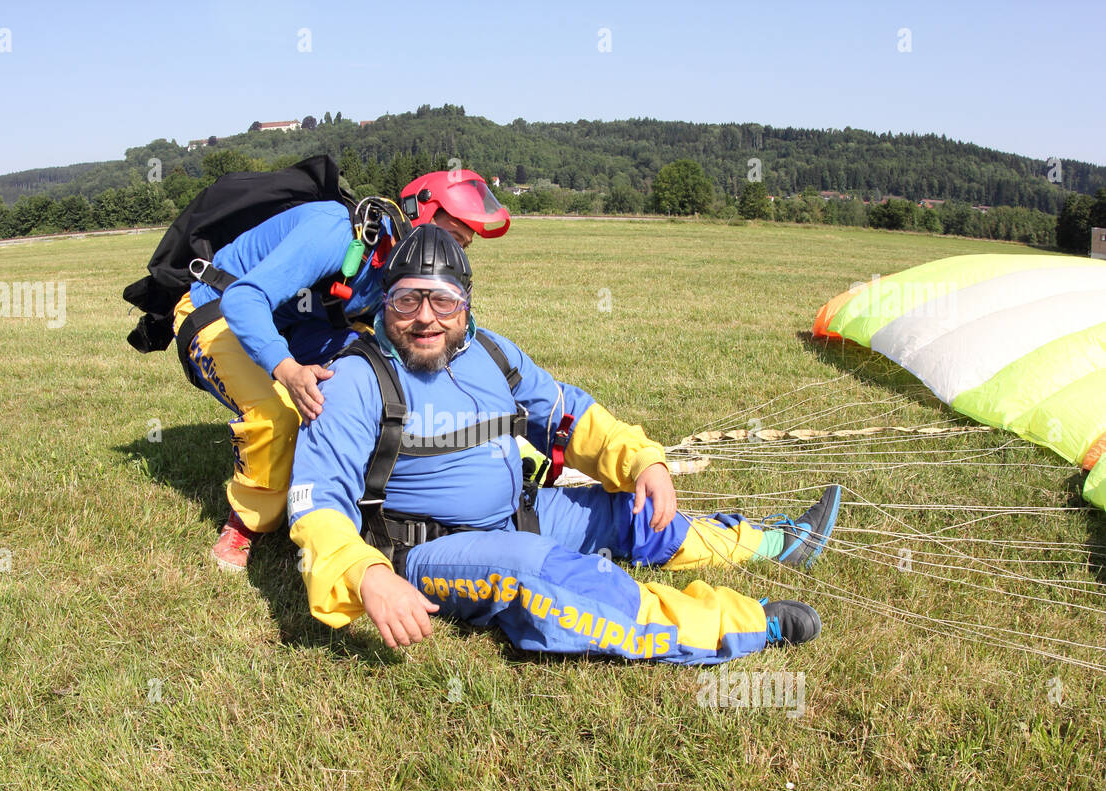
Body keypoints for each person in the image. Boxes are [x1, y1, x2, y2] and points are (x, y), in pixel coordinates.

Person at [287, 225, 842, 664]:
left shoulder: (492, 354)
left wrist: (644, 461)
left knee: (634, 514)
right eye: (408, 301)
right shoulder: (352, 382)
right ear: (386, 304)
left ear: (467, 307)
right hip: (428, 549)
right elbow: (316, 507)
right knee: (544, 573)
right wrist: (369, 576)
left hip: (520, 511)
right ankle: (742, 623)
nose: (425, 318)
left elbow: (568, 416)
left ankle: (776, 543)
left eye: (443, 302)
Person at [173, 168, 511, 571]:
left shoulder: (397, 255)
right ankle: (246, 525)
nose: (453, 253)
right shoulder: (337, 231)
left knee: (377, 375)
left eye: (462, 246)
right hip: (219, 309)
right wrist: (286, 368)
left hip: (298, 322)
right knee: (276, 413)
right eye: (453, 237)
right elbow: (245, 299)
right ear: (421, 214)